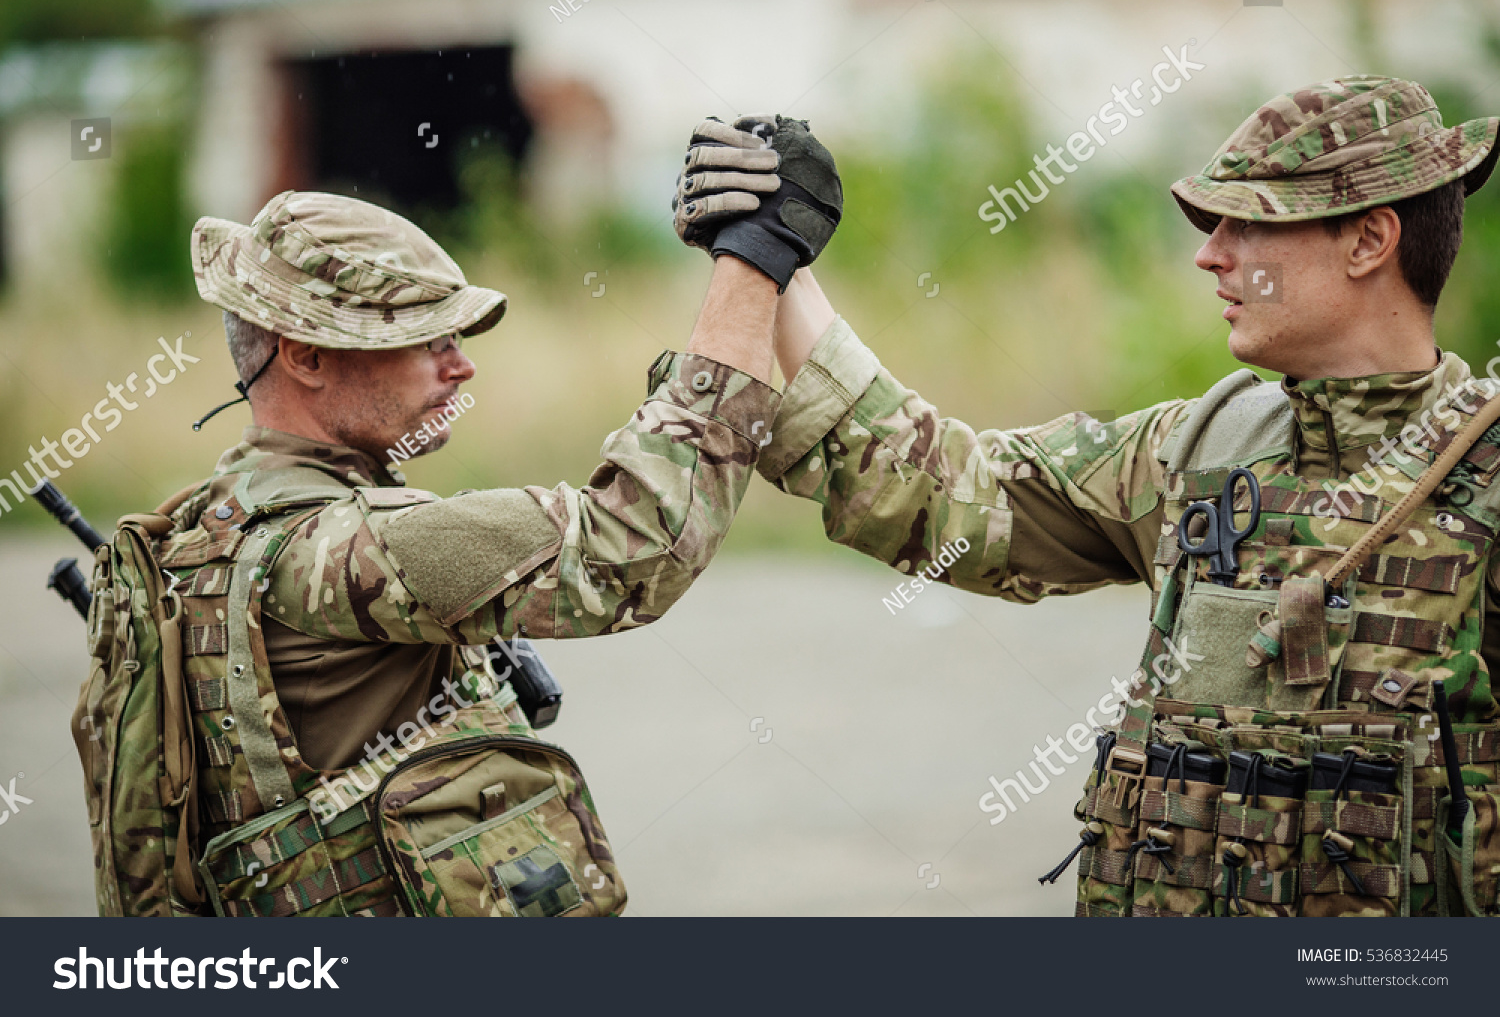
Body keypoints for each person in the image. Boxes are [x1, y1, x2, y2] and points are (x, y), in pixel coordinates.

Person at [681, 79, 1500, 917]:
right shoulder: (1201, 450)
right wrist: (779, 256)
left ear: (1369, 240)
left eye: (1249, 222)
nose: (1210, 254)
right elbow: (943, 488)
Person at [103, 187, 791, 917]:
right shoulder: (342, 544)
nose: (461, 368)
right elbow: (637, 545)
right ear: (305, 356)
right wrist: (755, 262)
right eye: (429, 341)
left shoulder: (208, 522)